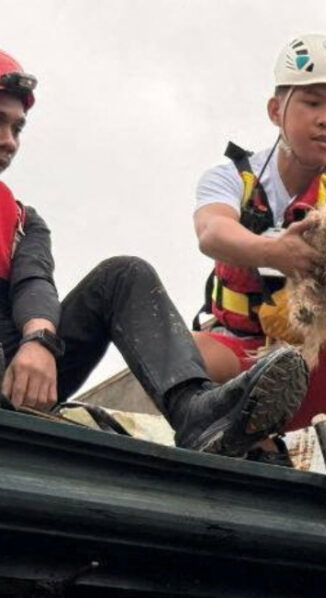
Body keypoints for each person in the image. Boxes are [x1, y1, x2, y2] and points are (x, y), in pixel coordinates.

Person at [0, 48, 308, 455]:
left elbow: (33, 282)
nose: (9, 141)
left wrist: (39, 341)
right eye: (0, 124)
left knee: (124, 275)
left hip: (17, 380)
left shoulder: (22, 220)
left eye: (18, 129)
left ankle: (200, 416)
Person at [193, 34, 326, 490]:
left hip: (321, 365)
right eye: (311, 103)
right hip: (241, 360)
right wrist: (275, 252)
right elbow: (211, 232)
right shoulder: (232, 176)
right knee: (176, 351)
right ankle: (257, 443)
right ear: (276, 111)